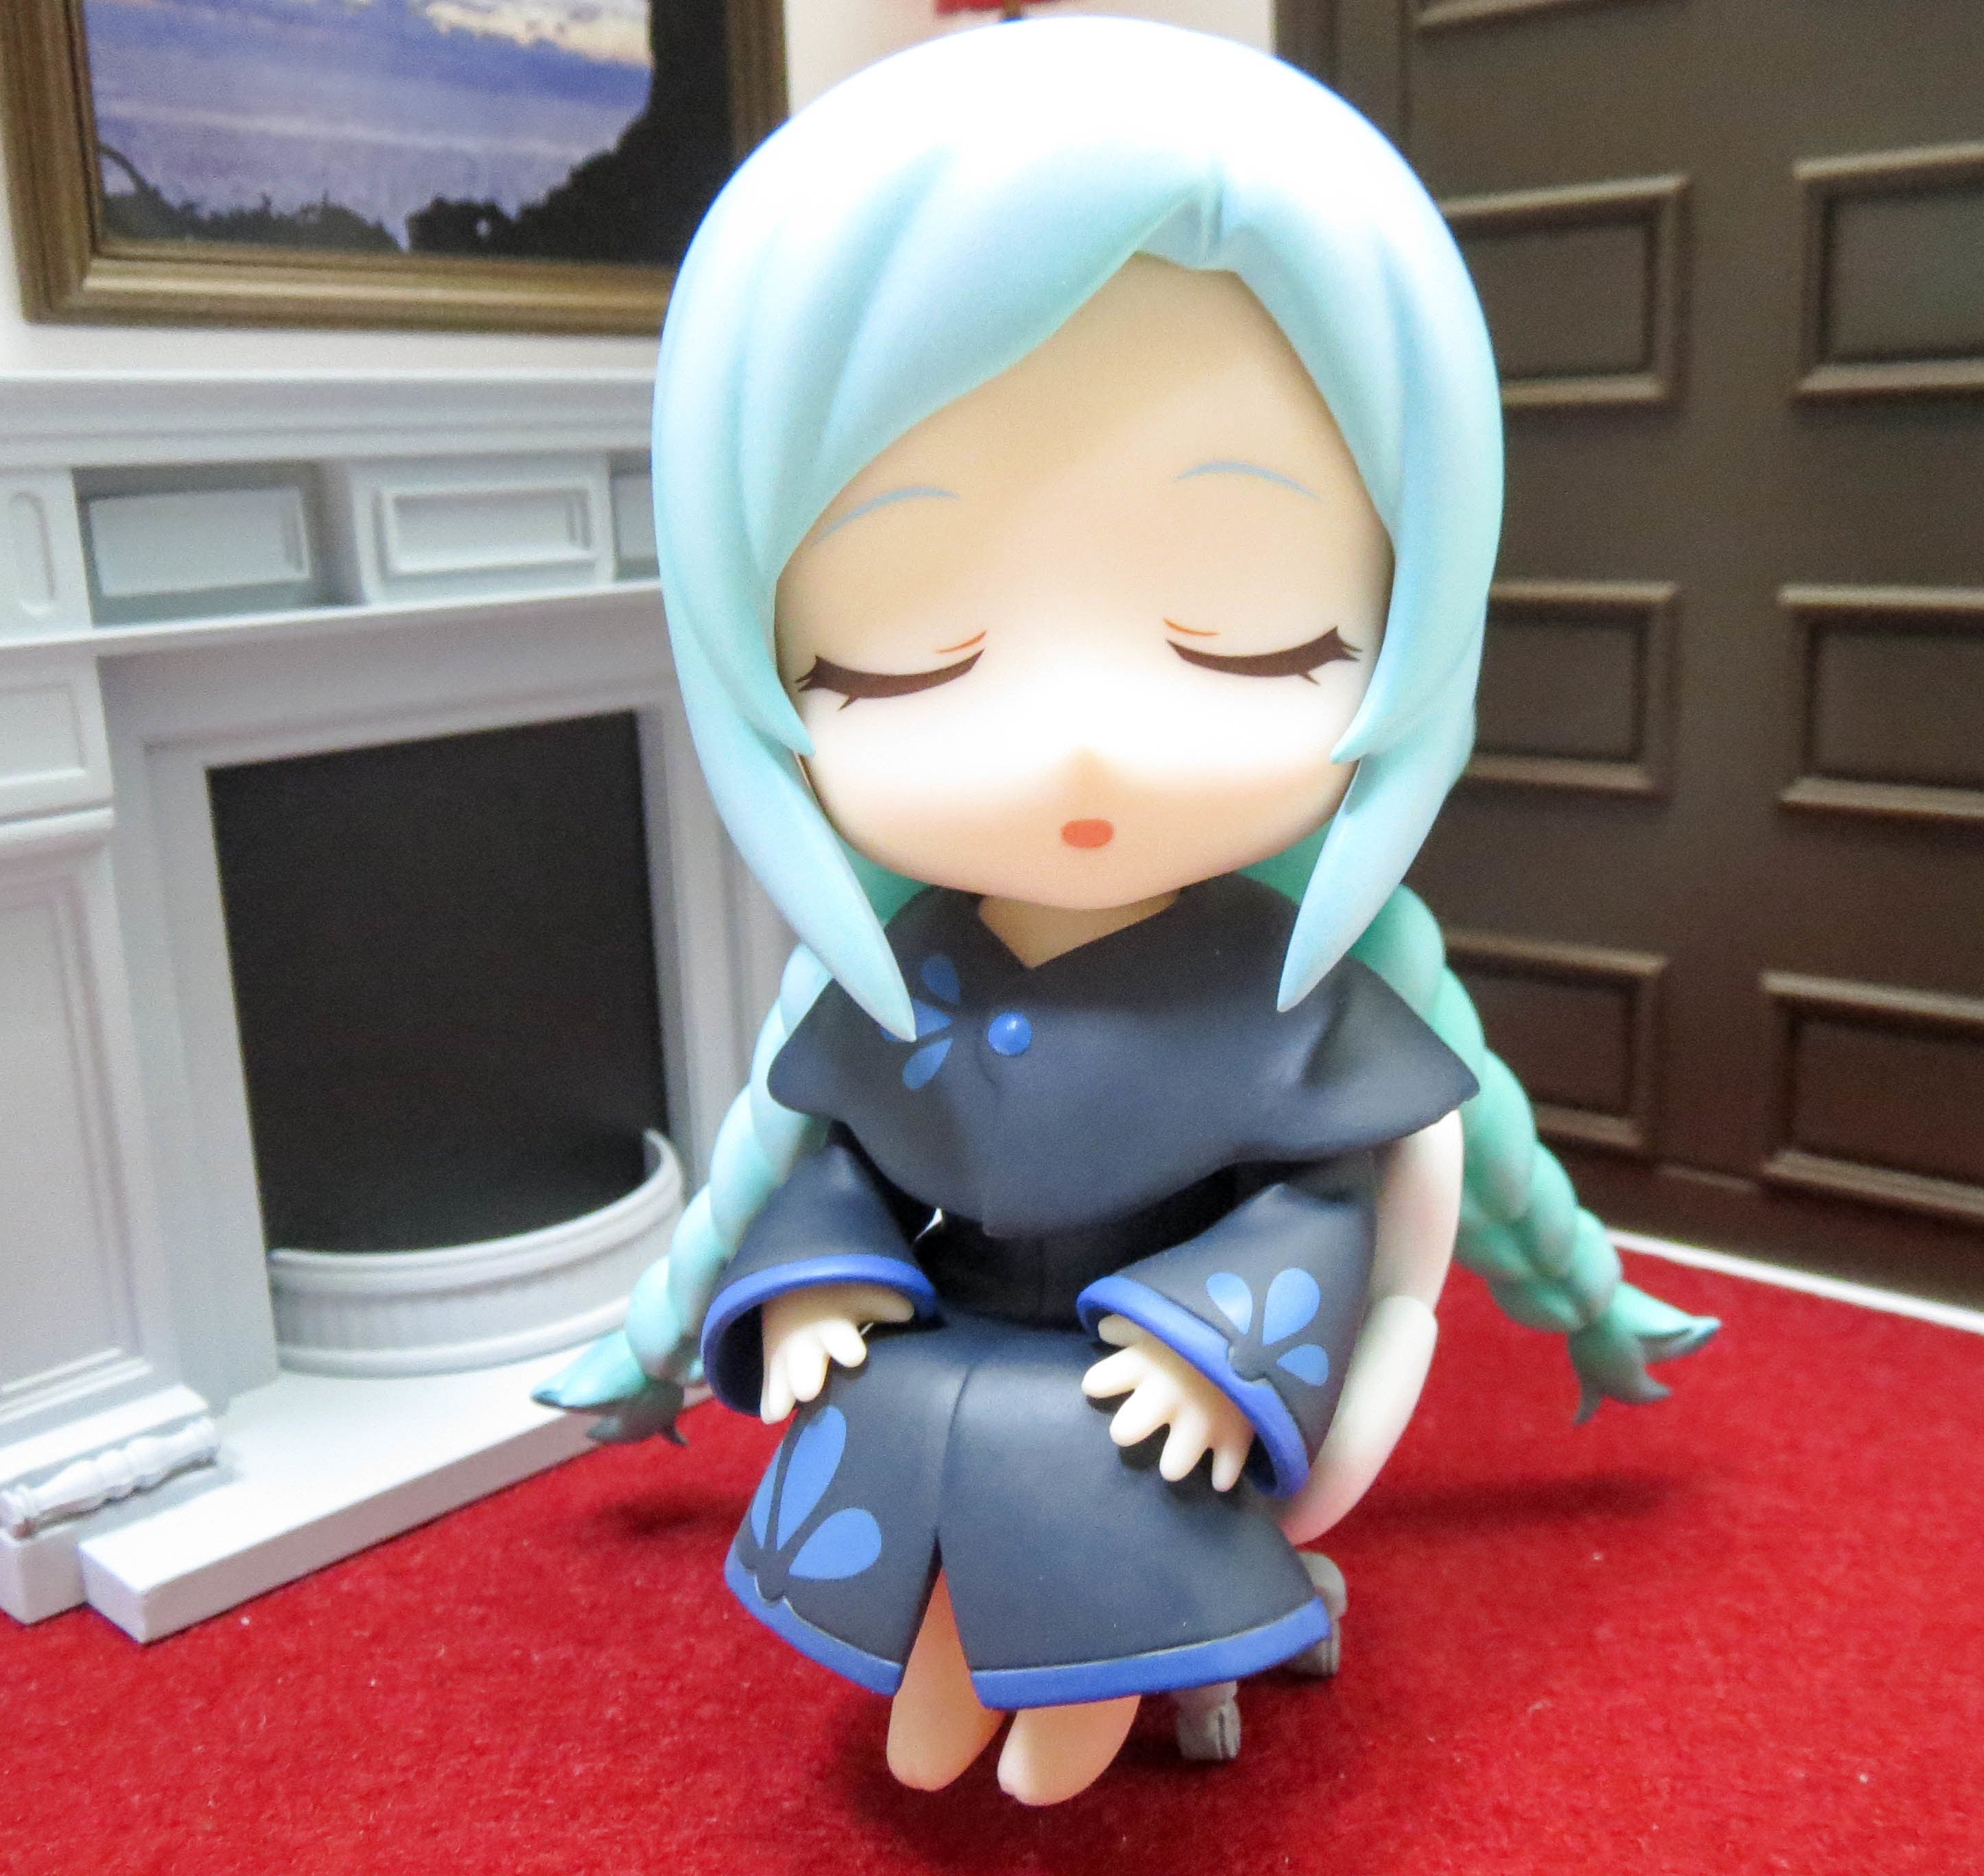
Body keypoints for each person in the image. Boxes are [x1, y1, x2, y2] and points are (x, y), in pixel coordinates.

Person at [541, 17, 1717, 1807]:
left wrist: (1224, 1348)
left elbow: (1347, 1205)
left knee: (1090, 1470)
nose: (1077, 739)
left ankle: (1084, 1680)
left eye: (1254, 641)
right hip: (941, 1349)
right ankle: (944, 1672)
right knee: (912, 1455)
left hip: (1169, 1374)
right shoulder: (909, 966)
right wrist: (806, 1285)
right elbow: (827, 1157)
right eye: (901, 659)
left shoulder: (1294, 986)